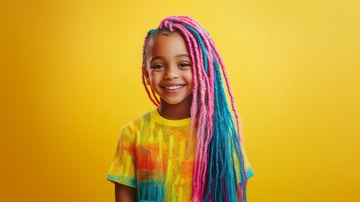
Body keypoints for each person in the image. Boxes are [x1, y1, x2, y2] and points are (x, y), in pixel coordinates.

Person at [107, 16, 254, 202]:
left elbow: (238, 194)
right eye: (158, 66)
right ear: (146, 72)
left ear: (203, 68)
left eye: (183, 64)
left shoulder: (220, 134)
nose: (170, 74)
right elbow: (125, 196)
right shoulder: (133, 133)